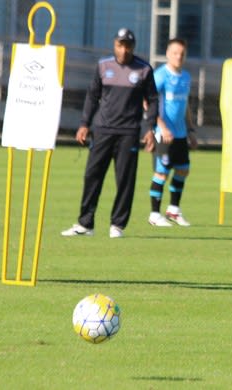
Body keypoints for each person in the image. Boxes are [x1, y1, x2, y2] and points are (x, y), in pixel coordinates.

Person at [61, 28, 157, 238]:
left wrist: (150, 129)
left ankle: (117, 225)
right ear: (114, 45)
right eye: (120, 45)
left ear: (133, 47)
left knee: (125, 180)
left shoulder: (144, 69)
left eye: (127, 46)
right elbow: (92, 96)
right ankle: (85, 224)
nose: (123, 50)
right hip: (103, 130)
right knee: (92, 176)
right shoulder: (103, 66)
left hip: (128, 132)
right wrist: (85, 124)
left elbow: (153, 101)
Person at [146, 38, 198, 227]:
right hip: (163, 134)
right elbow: (148, 102)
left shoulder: (186, 77)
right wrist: (161, 127)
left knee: (183, 170)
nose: (178, 56)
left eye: (182, 53)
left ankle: (173, 210)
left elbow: (185, 107)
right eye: (175, 53)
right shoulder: (160, 76)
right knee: (161, 173)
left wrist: (191, 130)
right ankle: (154, 214)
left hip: (181, 134)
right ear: (167, 54)